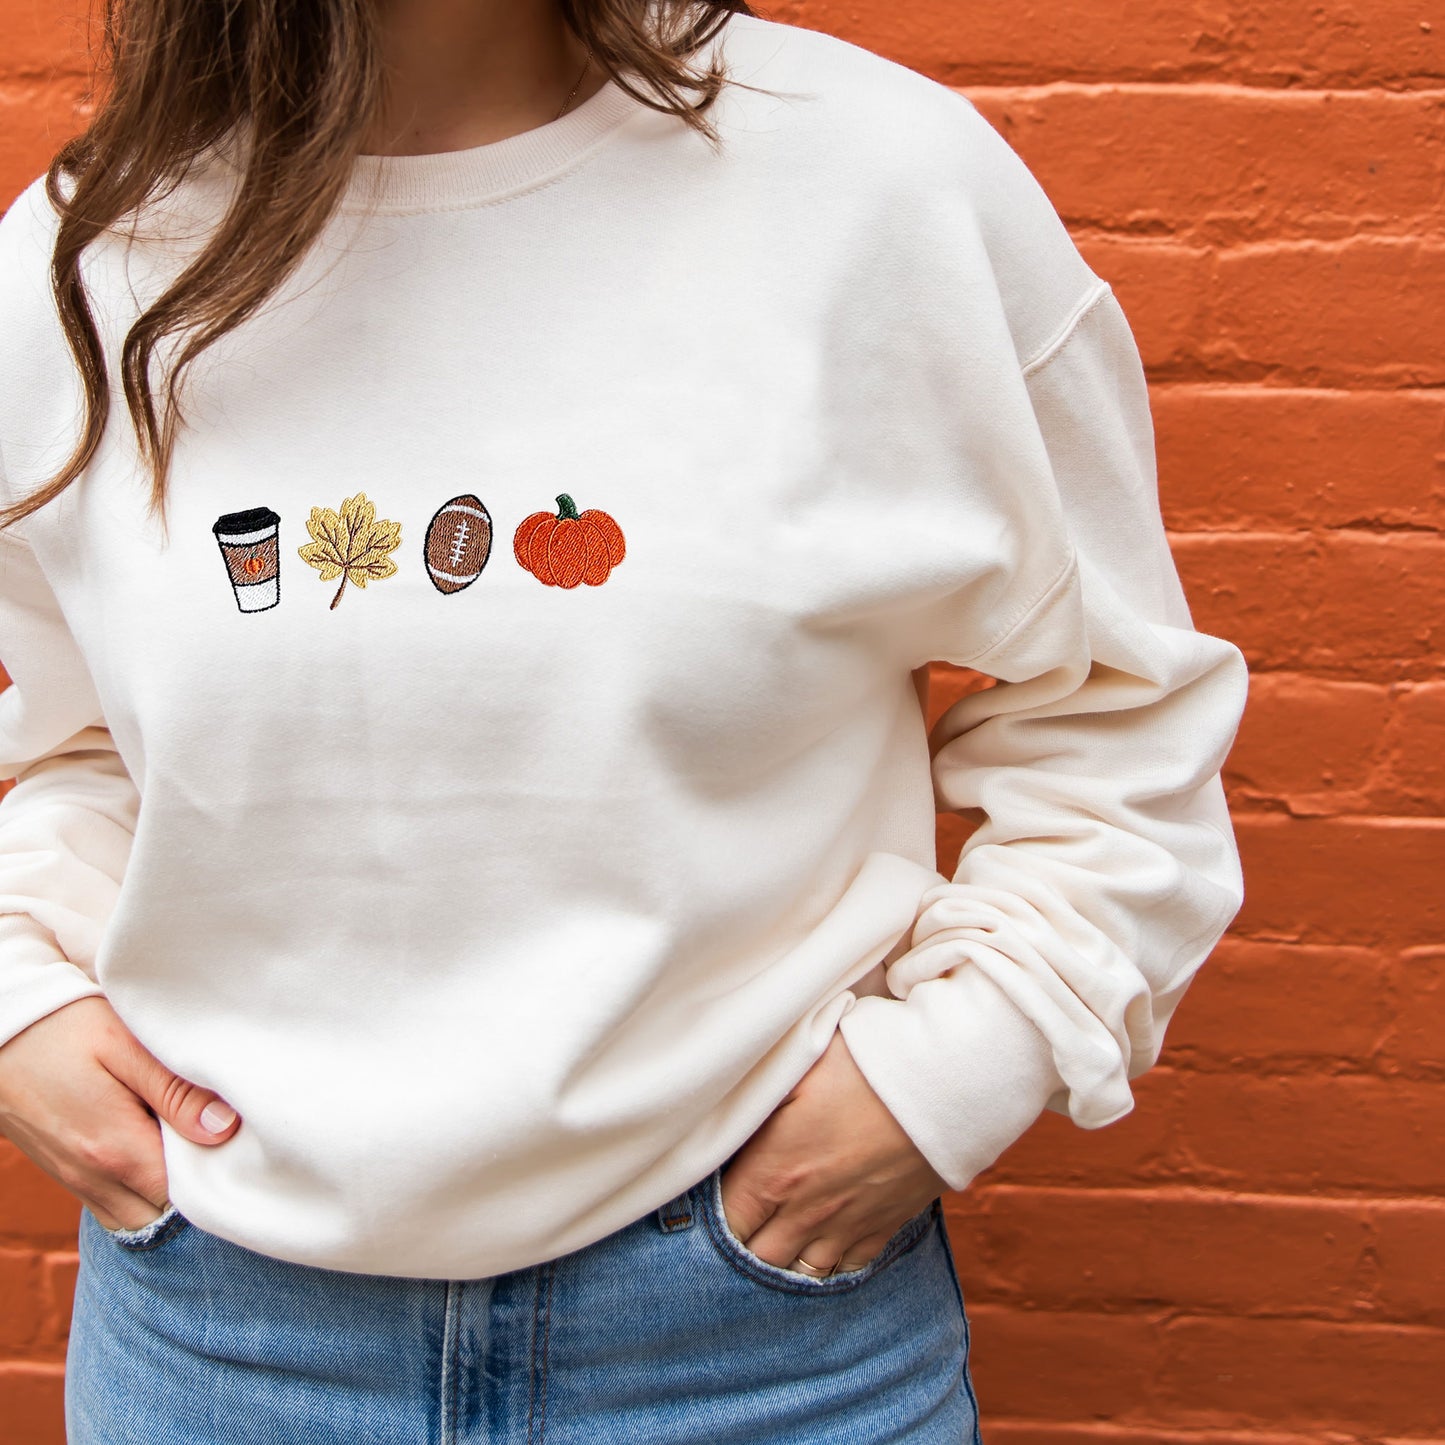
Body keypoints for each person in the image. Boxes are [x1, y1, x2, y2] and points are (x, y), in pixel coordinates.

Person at [0, 0, 1249, 1439]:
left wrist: (953, 1069)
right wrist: (27, 995)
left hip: (754, 1342)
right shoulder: (92, 257)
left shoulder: (877, 189)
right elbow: (71, 736)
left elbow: (1118, 708)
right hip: (223, 1340)